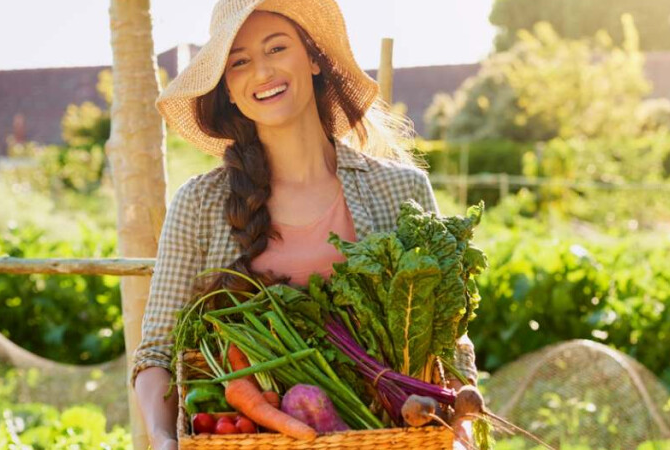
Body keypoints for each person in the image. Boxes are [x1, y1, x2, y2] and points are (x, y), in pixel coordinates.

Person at [130, 1, 479, 448]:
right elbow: (157, 353)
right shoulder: (198, 204)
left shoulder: (399, 190)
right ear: (228, 90)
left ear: (314, 58)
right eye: (239, 62)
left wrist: (462, 432)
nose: (262, 71)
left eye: (276, 48)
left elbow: (447, 341)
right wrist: (163, 439)